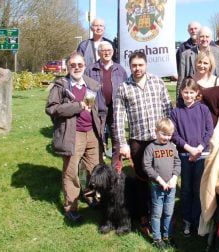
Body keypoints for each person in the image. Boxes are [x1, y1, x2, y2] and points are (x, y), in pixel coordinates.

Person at [113, 51, 173, 232]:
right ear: (130, 66)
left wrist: (170, 135)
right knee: (141, 179)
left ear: (146, 65)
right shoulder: (124, 87)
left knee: (162, 177)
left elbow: (168, 108)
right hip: (138, 140)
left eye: (140, 65)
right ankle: (143, 215)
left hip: (159, 139)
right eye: (134, 65)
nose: (137, 68)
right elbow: (118, 118)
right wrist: (123, 144)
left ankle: (163, 214)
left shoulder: (158, 82)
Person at [45, 52, 105, 223]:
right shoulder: (61, 85)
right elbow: (52, 109)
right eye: (73, 65)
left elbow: (97, 109)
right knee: (72, 172)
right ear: (68, 67)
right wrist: (77, 106)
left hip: (92, 133)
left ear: (84, 66)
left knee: (94, 170)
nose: (77, 68)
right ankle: (71, 207)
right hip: (73, 134)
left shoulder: (92, 84)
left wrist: (100, 129)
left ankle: (90, 196)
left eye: (80, 65)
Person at [170, 78, 214, 236]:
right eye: (185, 92)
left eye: (191, 92)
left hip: (202, 155)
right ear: (181, 93)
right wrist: (189, 149)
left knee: (198, 188)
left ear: (197, 93)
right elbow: (174, 135)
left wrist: (200, 148)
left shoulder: (203, 109)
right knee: (186, 189)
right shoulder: (175, 112)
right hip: (185, 155)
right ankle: (187, 220)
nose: (188, 95)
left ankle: (197, 220)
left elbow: (209, 131)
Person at [87, 41, 128, 169]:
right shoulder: (90, 69)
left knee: (117, 140)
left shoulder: (119, 69)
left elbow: (126, 89)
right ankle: (99, 169)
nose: (106, 53)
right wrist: (88, 108)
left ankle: (115, 171)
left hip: (116, 111)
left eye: (109, 50)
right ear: (99, 53)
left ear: (113, 52)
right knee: (97, 140)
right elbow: (87, 90)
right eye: (103, 51)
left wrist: (126, 109)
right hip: (98, 110)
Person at [142, 118, 181, 249]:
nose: (166, 137)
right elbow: (147, 166)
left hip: (171, 187)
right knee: (157, 213)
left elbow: (177, 163)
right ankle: (157, 238)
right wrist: (159, 180)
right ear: (156, 132)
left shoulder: (172, 147)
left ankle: (167, 235)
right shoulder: (150, 148)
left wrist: (174, 177)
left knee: (169, 212)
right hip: (157, 187)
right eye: (163, 134)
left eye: (169, 135)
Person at [192, 52, 219, 127]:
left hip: (213, 126)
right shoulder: (190, 81)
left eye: (205, 63)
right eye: (199, 62)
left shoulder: (217, 82)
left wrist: (217, 129)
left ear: (210, 65)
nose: (202, 65)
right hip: (193, 125)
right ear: (196, 63)